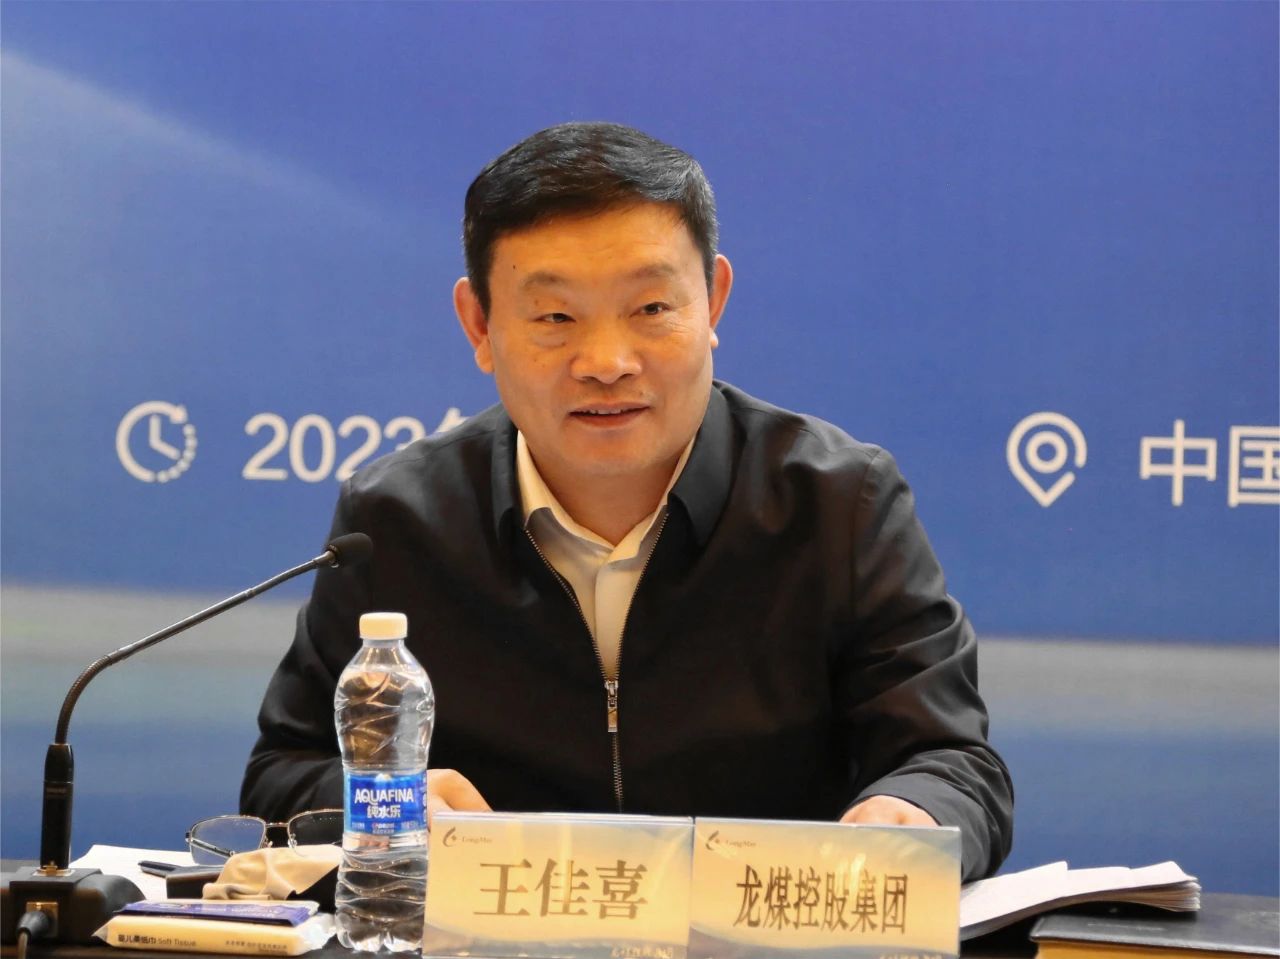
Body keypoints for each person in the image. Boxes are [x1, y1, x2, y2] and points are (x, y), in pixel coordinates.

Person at [241, 121, 1014, 881]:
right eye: (555, 317)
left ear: (713, 301)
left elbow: (951, 759)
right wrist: (387, 802)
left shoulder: (838, 504)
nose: (608, 362)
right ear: (479, 324)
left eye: (650, 309)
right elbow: (285, 773)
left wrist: (910, 812)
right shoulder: (398, 521)